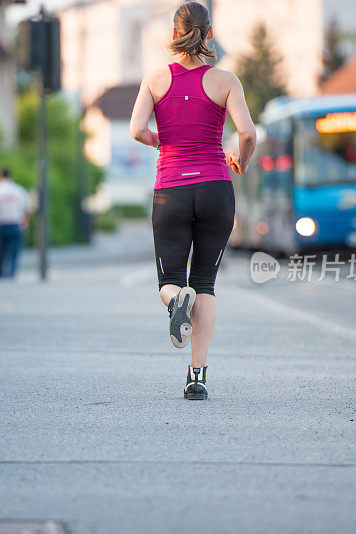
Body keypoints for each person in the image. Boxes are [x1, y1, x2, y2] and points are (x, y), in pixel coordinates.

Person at [129, 1, 256, 400]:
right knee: (205, 284)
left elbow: (136, 129)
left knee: (170, 282)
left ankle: (174, 301)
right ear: (210, 35)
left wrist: (161, 142)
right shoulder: (225, 80)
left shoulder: (154, 79)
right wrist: (241, 160)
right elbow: (248, 134)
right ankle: (197, 378)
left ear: (173, 34)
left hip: (171, 190)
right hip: (216, 187)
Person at [0, 168, 32, 278]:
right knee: (14, 254)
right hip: (16, 225)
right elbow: (28, 210)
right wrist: (25, 225)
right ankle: (11, 276)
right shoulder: (19, 190)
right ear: (11, 177)